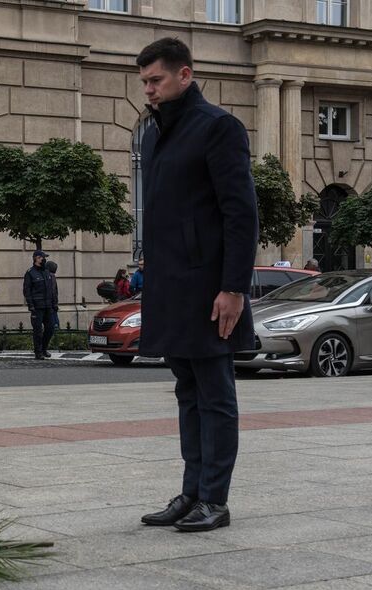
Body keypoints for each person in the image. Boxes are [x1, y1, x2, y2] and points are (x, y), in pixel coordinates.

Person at [136, 38, 258, 533]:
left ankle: (215, 499)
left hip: (211, 287)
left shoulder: (218, 127)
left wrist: (233, 287)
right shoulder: (154, 133)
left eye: (156, 80)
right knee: (187, 390)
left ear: (185, 75)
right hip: (170, 284)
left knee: (215, 392)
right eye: (144, 82)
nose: (149, 90)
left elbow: (240, 213)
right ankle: (191, 493)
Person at [22, 250, 55, 360]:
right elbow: (27, 291)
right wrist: (31, 305)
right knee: (37, 331)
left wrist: (54, 304)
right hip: (37, 307)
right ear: (36, 258)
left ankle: (44, 348)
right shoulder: (30, 273)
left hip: (48, 306)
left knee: (50, 328)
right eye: (42, 257)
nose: (44, 259)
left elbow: (51, 289)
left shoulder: (46, 271)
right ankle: (38, 352)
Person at [46, 260, 60, 331]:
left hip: (51, 304)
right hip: (52, 304)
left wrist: (55, 304)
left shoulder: (50, 276)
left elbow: (53, 291)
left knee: (53, 323)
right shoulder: (51, 276)